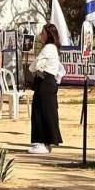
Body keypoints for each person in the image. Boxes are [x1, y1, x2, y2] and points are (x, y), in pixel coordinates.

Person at [27, 23, 64, 154]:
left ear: (48, 34)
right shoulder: (52, 48)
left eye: (42, 33)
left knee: (40, 112)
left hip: (45, 83)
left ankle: (41, 141)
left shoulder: (48, 48)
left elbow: (36, 64)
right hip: (49, 83)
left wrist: (34, 68)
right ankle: (45, 141)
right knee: (46, 112)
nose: (40, 35)